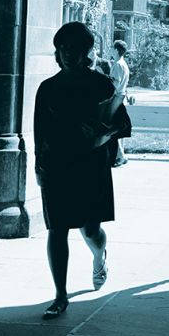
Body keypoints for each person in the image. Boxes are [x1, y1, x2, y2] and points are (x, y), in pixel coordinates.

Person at [34, 22, 128, 319]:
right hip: (57, 165)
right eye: (63, 49)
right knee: (57, 229)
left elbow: (122, 123)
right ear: (57, 52)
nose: (68, 55)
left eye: (74, 49)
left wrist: (103, 134)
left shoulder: (100, 84)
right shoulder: (48, 88)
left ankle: (99, 256)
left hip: (90, 166)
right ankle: (60, 295)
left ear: (85, 52)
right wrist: (39, 165)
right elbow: (39, 131)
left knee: (90, 229)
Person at [109, 40, 130, 167]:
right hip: (122, 98)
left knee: (113, 129)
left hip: (116, 99)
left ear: (116, 50)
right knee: (118, 129)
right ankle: (120, 155)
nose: (111, 50)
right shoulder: (123, 64)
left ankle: (120, 156)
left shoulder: (117, 65)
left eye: (112, 48)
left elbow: (115, 84)